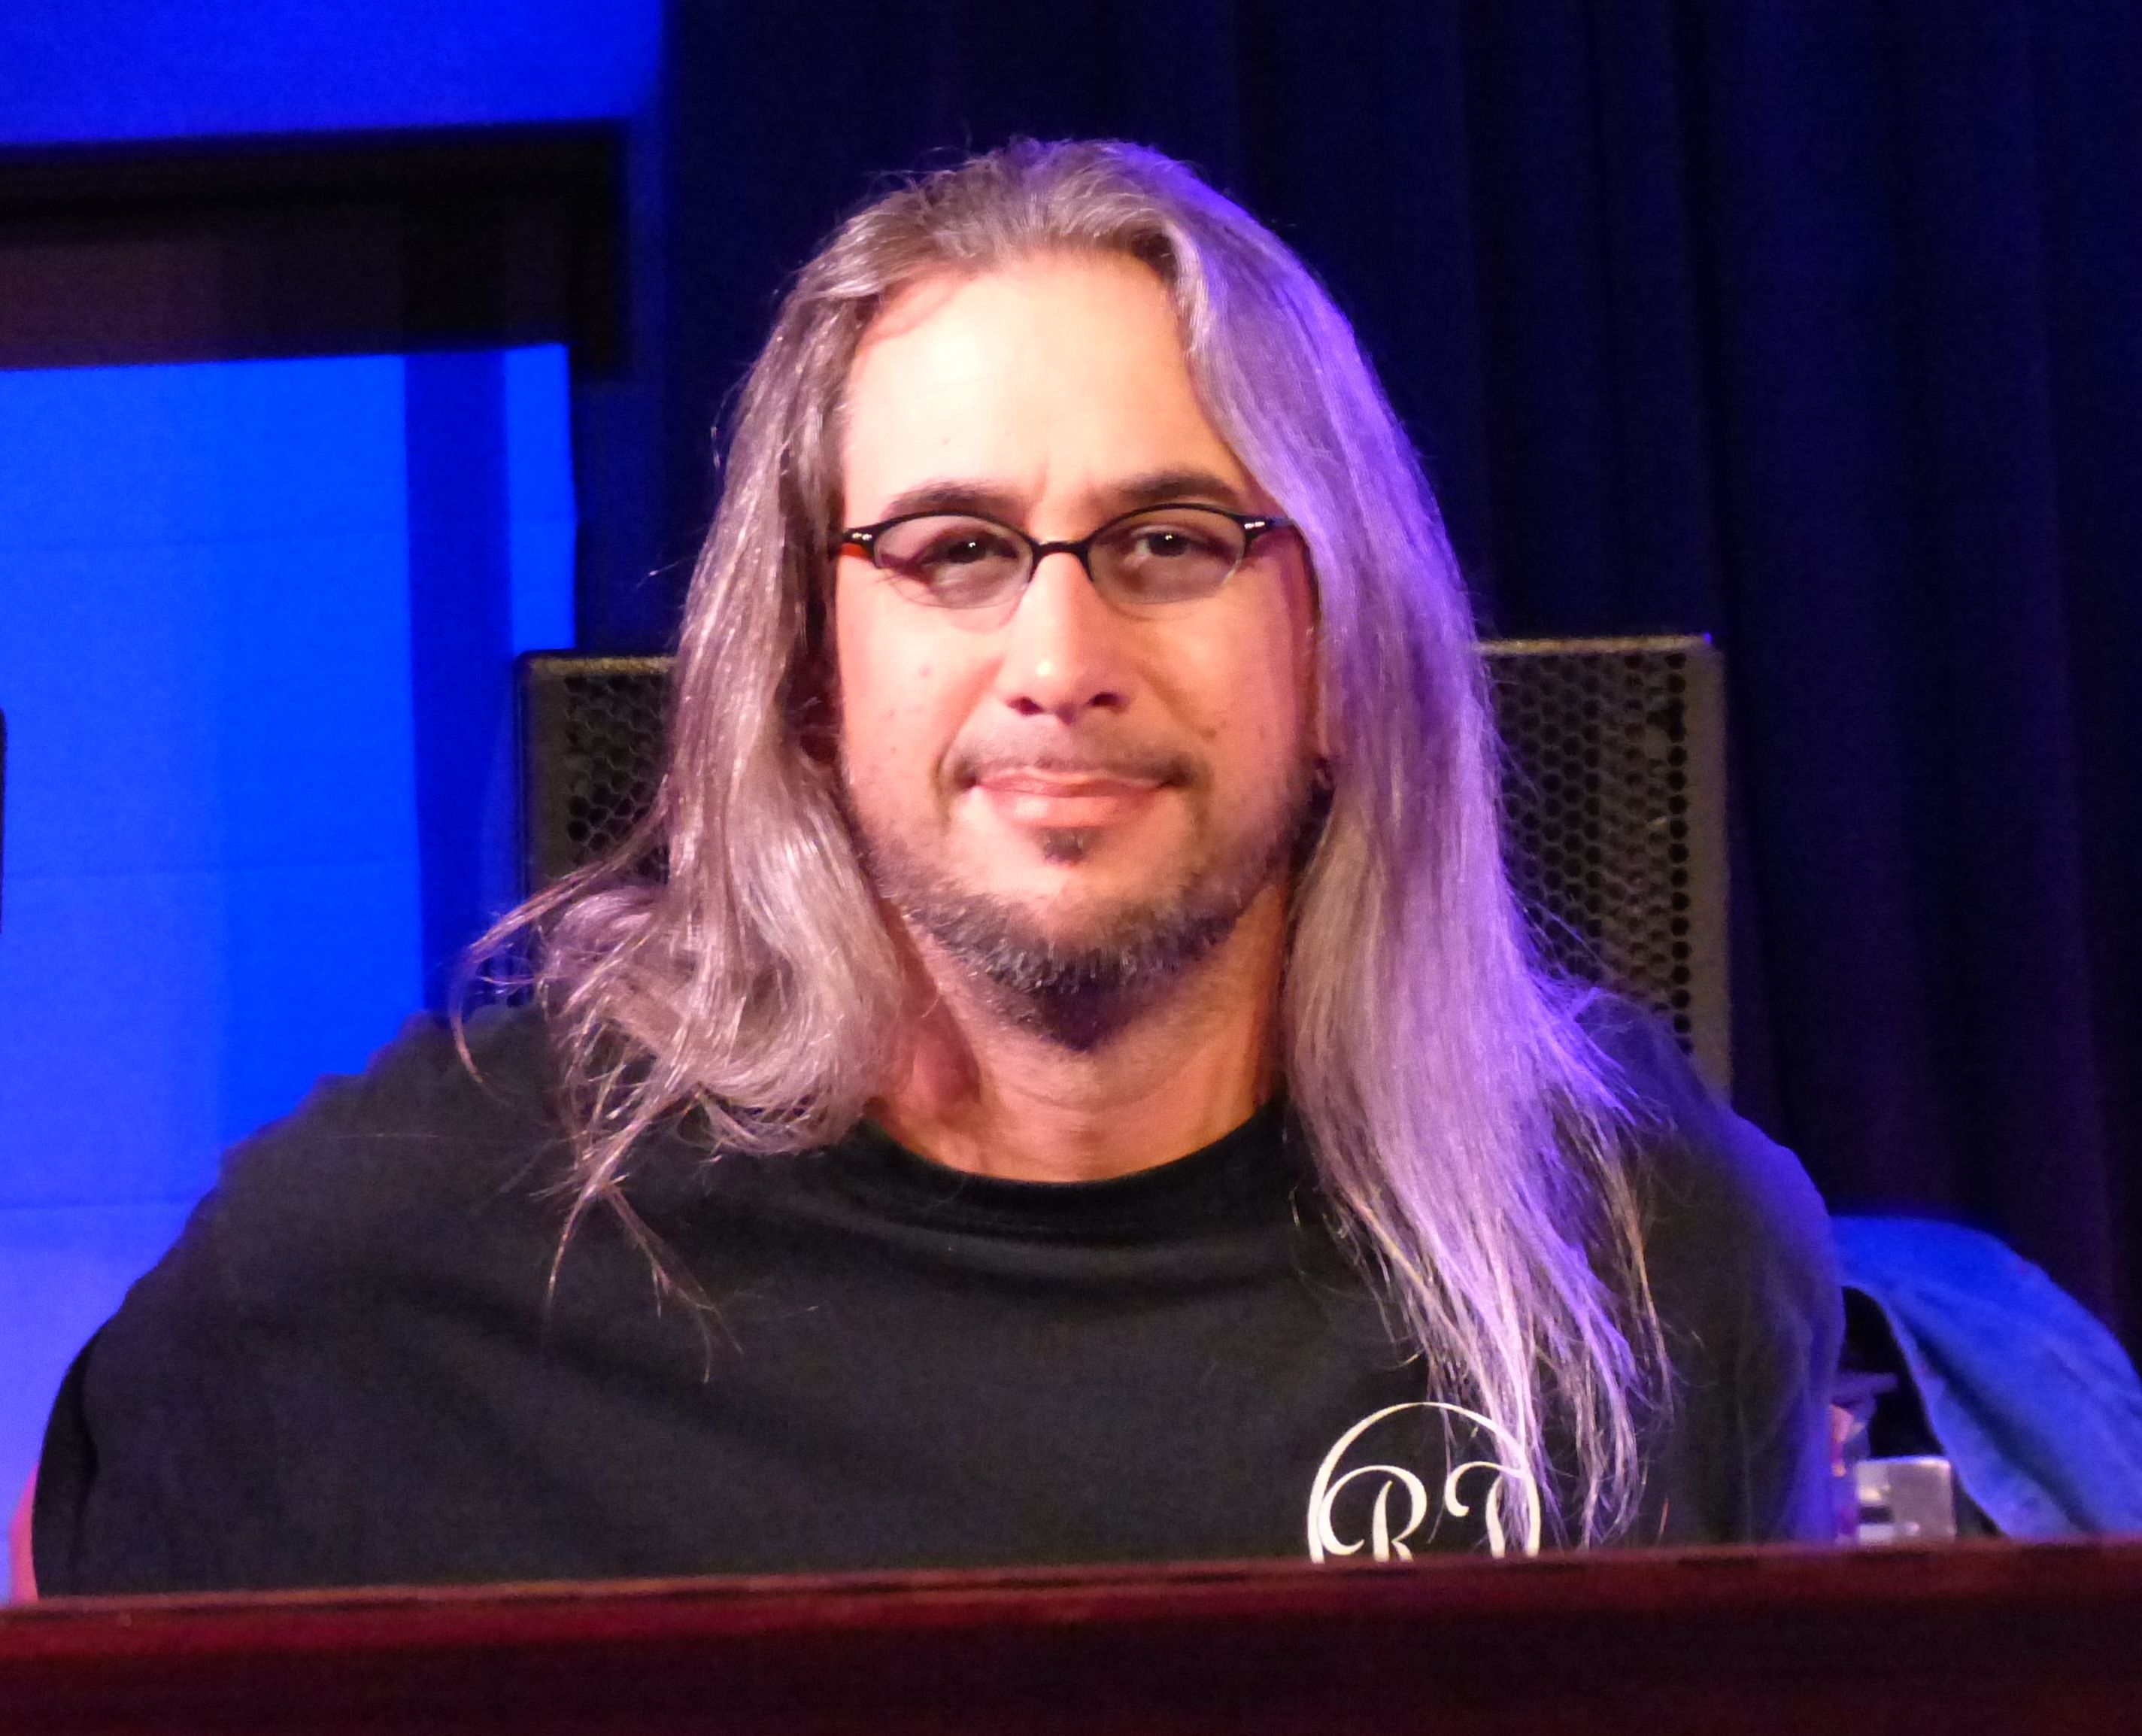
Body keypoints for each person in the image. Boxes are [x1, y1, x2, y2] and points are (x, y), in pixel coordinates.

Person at [27, 140, 1840, 1596]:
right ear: (809, 672)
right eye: (953, 548)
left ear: (1343, 656)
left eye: (1171, 538)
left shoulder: (1642, 1249)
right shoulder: (400, 1262)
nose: (1058, 655)